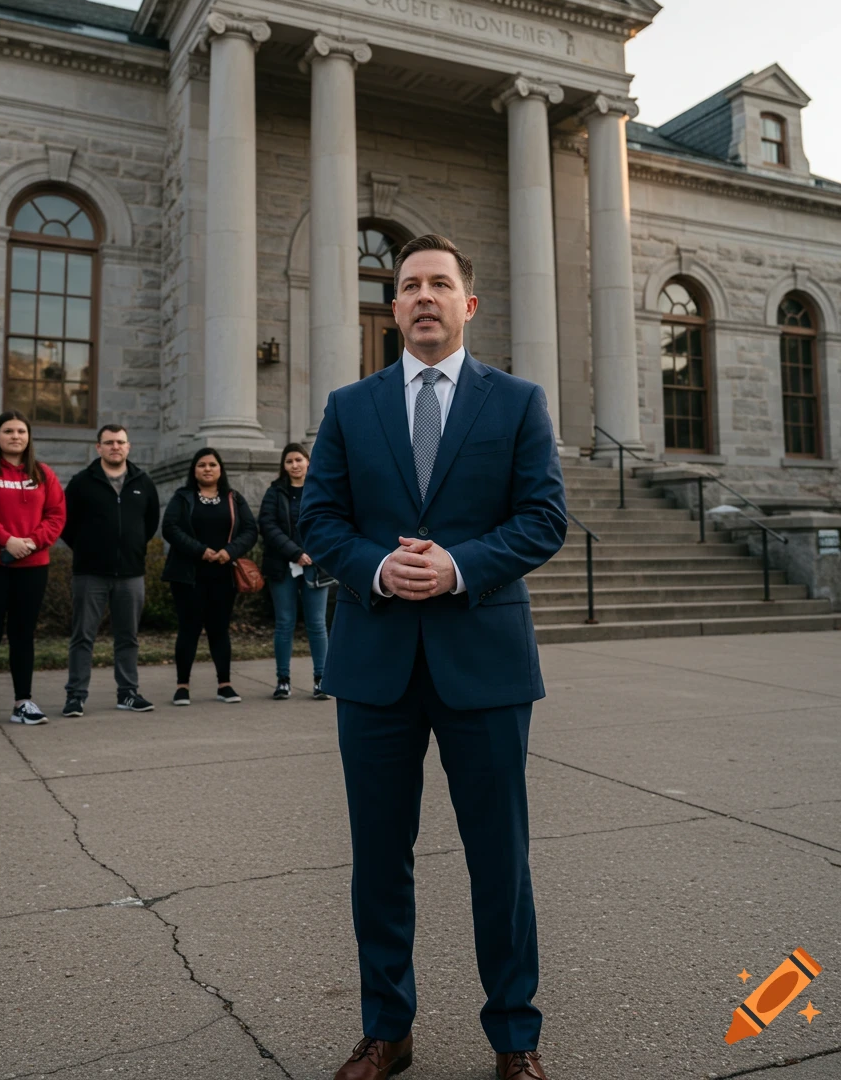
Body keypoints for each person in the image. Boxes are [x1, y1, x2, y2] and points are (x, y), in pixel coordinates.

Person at [300, 234, 567, 1080]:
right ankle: (388, 1029)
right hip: (376, 662)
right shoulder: (350, 406)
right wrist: (378, 567)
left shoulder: (518, 402)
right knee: (380, 859)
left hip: (483, 661)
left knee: (501, 859)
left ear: (468, 304)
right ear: (394, 305)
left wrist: (460, 565)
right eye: (408, 284)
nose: (422, 296)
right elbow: (318, 519)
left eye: (439, 284)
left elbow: (543, 517)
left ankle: (514, 1040)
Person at [0, 410, 66, 730]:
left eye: (21, 431)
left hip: (31, 566)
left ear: (28, 437)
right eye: (8, 431)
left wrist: (30, 543)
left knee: (23, 635)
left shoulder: (43, 474)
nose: (15, 436)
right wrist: (6, 539)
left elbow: (56, 515)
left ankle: (23, 702)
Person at [60, 424, 161, 716]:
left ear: (128, 447)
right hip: (90, 573)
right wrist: (86, 549)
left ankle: (128, 693)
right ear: (98, 447)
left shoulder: (144, 482)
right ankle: (76, 696)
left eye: (120, 442)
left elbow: (150, 522)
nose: (115, 447)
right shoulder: (82, 482)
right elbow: (66, 524)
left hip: (131, 574)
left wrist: (134, 549)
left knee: (128, 637)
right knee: (82, 636)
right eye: (109, 442)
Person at [161, 448, 258, 705]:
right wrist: (200, 551)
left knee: (219, 630)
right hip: (188, 575)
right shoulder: (182, 497)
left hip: (223, 575)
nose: (207, 469)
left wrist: (229, 551)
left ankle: (224, 685)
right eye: (202, 465)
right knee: (188, 630)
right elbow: (169, 528)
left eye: (212, 465)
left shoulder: (233, 498)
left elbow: (250, 529)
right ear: (194, 470)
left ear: (220, 469)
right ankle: (182, 687)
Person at [259, 443, 333, 702]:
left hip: (316, 566)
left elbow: (330, 521)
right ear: (284, 465)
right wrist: (295, 553)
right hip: (283, 567)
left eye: (299, 460)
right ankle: (283, 680)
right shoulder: (274, 492)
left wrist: (313, 552)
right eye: (289, 461)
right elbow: (268, 526)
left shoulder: (320, 490)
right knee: (284, 623)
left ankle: (321, 680)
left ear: (308, 462)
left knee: (316, 624)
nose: (294, 465)